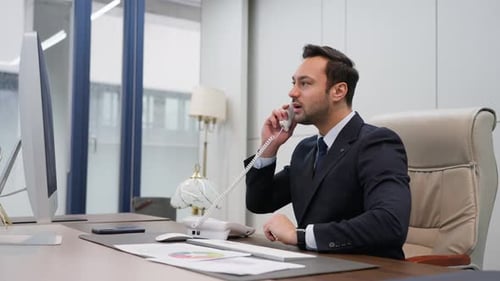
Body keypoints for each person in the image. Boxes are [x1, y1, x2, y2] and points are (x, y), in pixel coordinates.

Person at [245, 44, 411, 260]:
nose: (292, 92)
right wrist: (269, 146)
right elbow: (259, 203)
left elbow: (390, 224)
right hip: (314, 268)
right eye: (294, 83)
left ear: (338, 91)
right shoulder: (305, 150)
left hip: (366, 272)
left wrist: (301, 236)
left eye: (304, 83)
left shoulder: (376, 143)